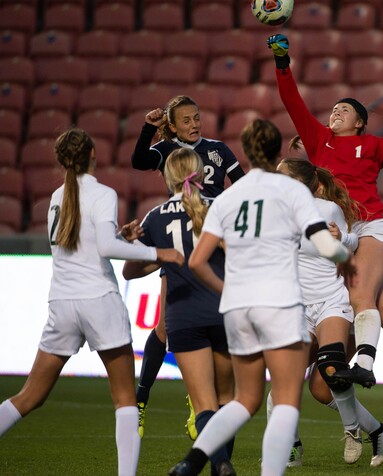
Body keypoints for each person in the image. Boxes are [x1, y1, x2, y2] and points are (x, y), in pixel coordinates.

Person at [168, 119, 353, 476]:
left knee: (245, 400)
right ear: (274, 151)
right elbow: (326, 244)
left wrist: (228, 290)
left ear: (248, 152)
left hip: (238, 309)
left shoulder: (227, 198)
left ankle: (192, 461)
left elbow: (197, 261)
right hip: (278, 302)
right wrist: (343, 255)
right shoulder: (292, 192)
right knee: (285, 401)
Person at [268, 33, 383, 419]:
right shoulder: (318, 141)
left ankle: (365, 363)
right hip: (348, 232)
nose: (336, 112)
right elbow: (292, 102)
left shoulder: (372, 145)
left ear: (359, 122)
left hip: (374, 226)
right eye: (335, 109)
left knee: (360, 293)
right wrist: (281, 62)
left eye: (345, 110)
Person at [0, 129, 184, 476]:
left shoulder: (57, 196)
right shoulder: (102, 193)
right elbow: (104, 250)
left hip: (62, 303)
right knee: (125, 400)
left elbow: (85, 245)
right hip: (99, 301)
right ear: (94, 154)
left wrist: (119, 236)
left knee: (30, 396)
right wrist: (158, 252)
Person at [131, 95, 245, 439]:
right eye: (186, 120)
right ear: (173, 125)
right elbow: (138, 161)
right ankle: (141, 398)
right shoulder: (166, 149)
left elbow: (242, 187)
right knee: (165, 327)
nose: (194, 124)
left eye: (197, 117)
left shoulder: (219, 150)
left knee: (206, 320)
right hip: (181, 235)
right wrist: (147, 129)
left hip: (214, 234)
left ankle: (201, 403)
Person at [122, 148, 236, 476]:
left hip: (182, 316)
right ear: (201, 175)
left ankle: (220, 464)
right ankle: (221, 465)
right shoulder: (218, 208)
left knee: (203, 404)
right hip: (223, 312)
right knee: (227, 400)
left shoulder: (155, 217)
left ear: (168, 178)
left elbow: (130, 271)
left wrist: (161, 256)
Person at [275, 156, 383, 467]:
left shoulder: (327, 209)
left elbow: (352, 242)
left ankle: (352, 431)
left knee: (330, 368)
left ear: (303, 186)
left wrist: (343, 239)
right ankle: (377, 432)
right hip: (297, 305)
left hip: (331, 299)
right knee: (295, 383)